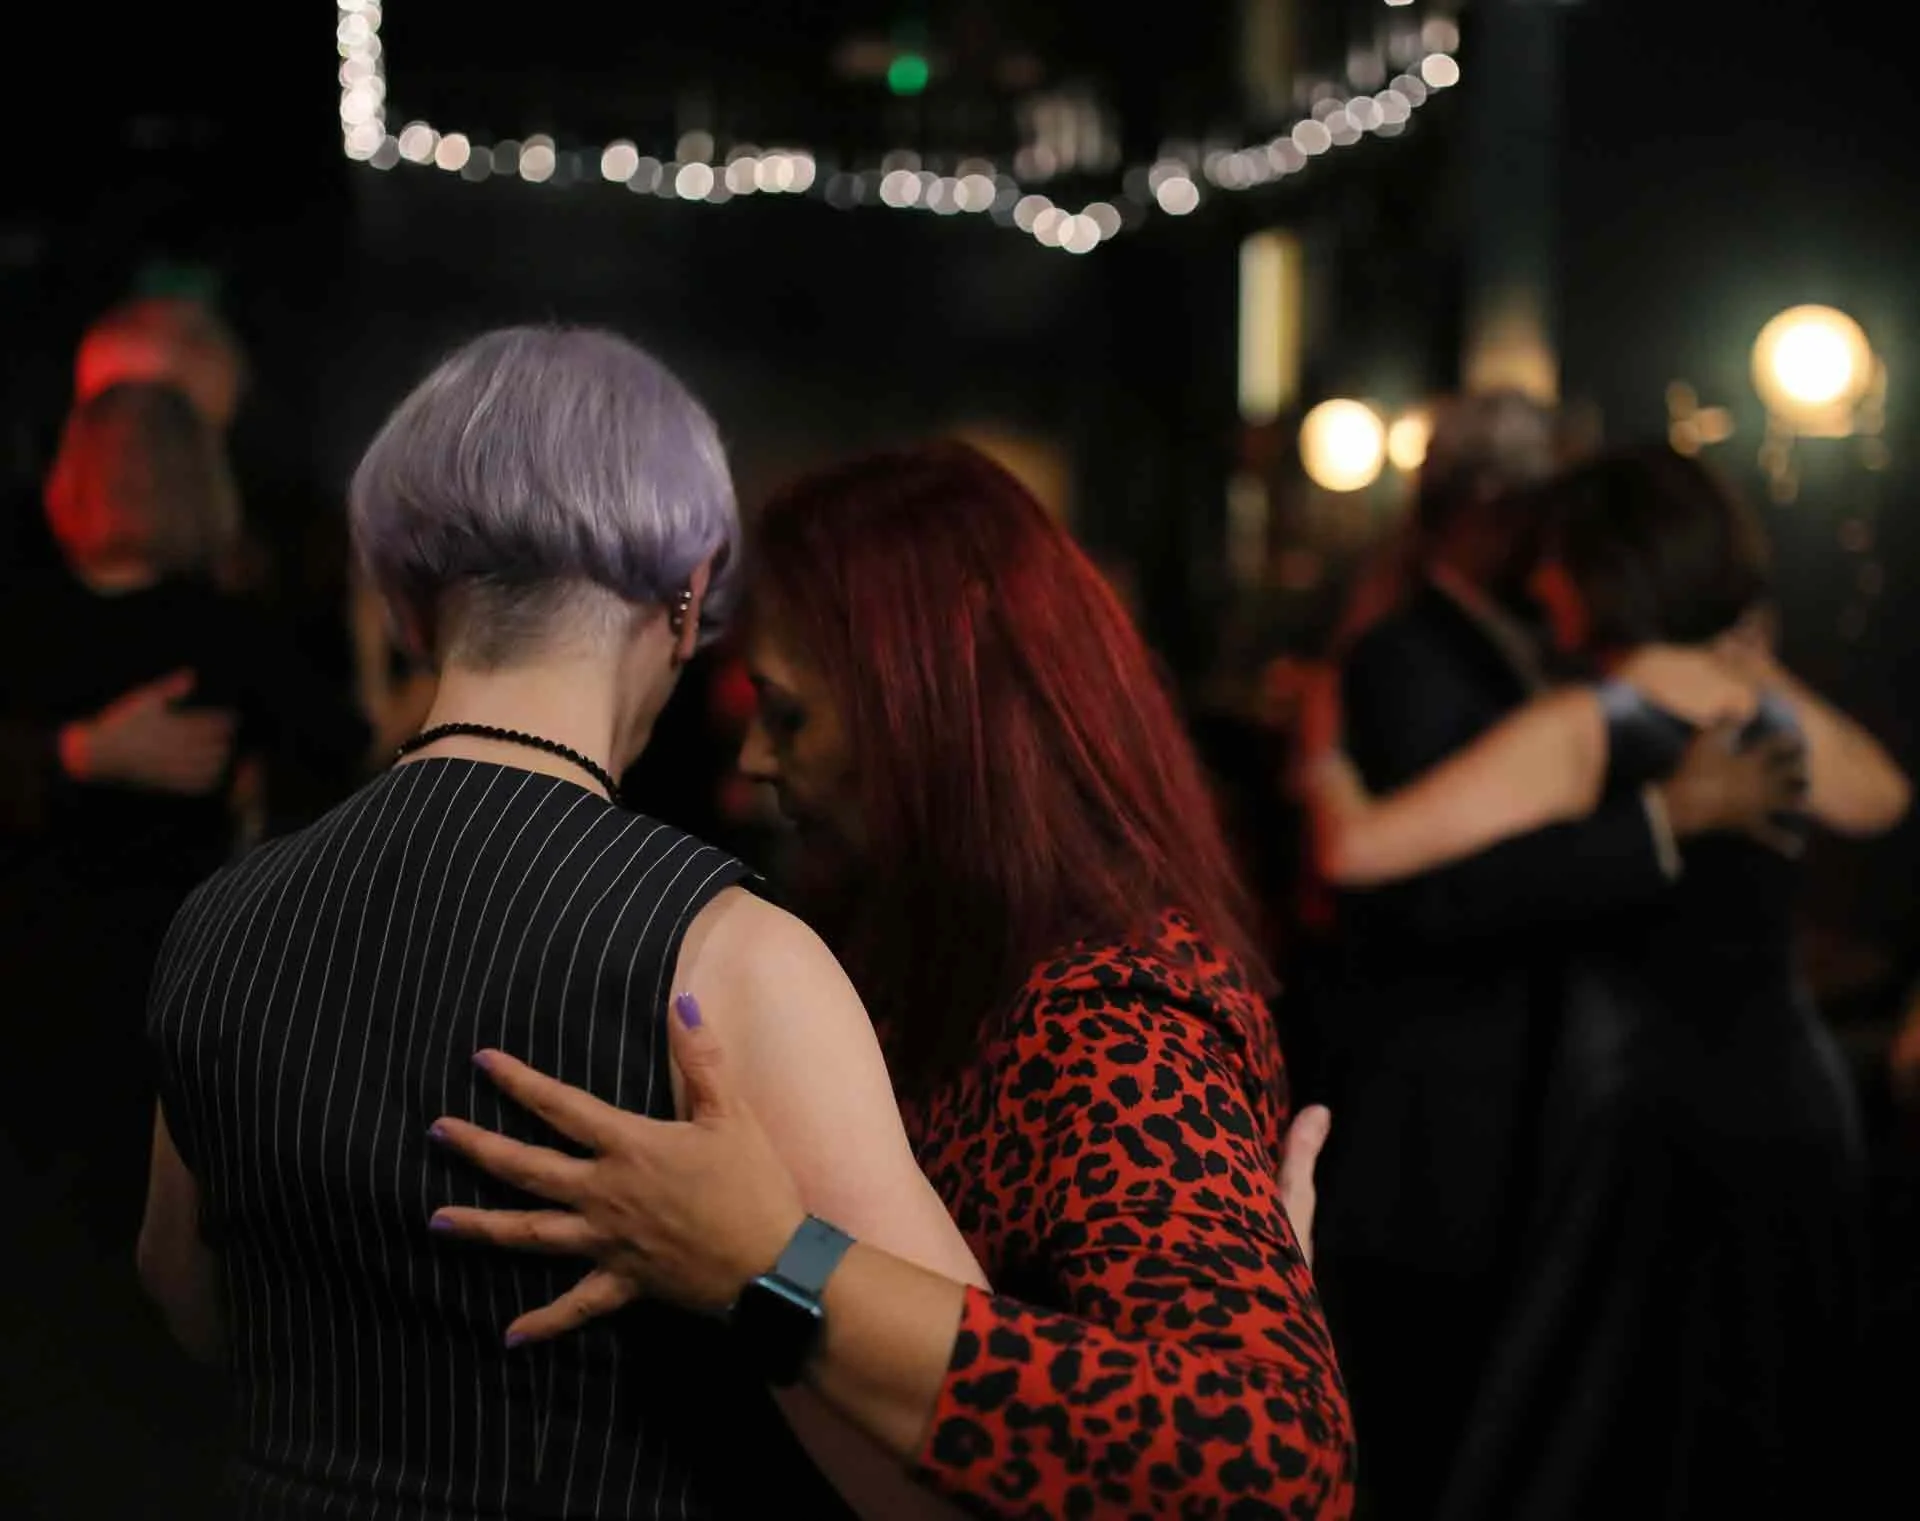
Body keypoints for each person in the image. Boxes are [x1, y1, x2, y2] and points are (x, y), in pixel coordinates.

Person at [138, 327, 986, 1521]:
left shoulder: (220, 919)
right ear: (688, 600)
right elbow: (952, 1466)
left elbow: (184, 1295)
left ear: (410, 599)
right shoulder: (729, 958)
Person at [425, 441, 1357, 1519]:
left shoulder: (1110, 1015)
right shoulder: (953, 949)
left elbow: (1268, 1470)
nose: (757, 766)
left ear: (930, 709)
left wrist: (767, 1263)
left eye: (790, 716)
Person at [1302, 445, 1907, 1519]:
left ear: (1601, 573)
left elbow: (1359, 854)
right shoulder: (1761, 712)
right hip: (1793, 1101)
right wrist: (1761, 672)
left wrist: (1320, 761)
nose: (1540, 586)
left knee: (1612, 1429)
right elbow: (1884, 800)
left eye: (1555, 563)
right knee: (1771, 1412)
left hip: (1647, 1112)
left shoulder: (1590, 724)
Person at [0, 379, 368, 1518]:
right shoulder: (233, 638)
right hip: (170, 986)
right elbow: (344, 753)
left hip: (25, 986)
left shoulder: (18, 618)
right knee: (153, 1262)